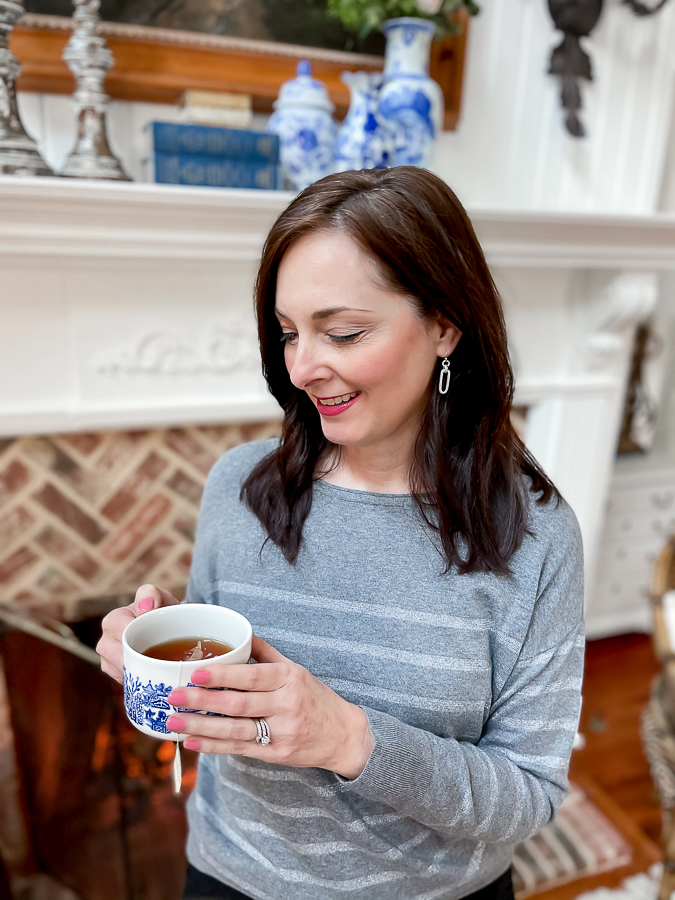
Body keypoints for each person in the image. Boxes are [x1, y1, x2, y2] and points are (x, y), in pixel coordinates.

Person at [97, 167, 584, 900]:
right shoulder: (239, 487)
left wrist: (348, 738)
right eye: (289, 333)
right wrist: (160, 658)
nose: (301, 368)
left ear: (445, 323)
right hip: (228, 878)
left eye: (343, 332)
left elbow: (528, 794)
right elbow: (214, 713)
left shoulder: (537, 538)